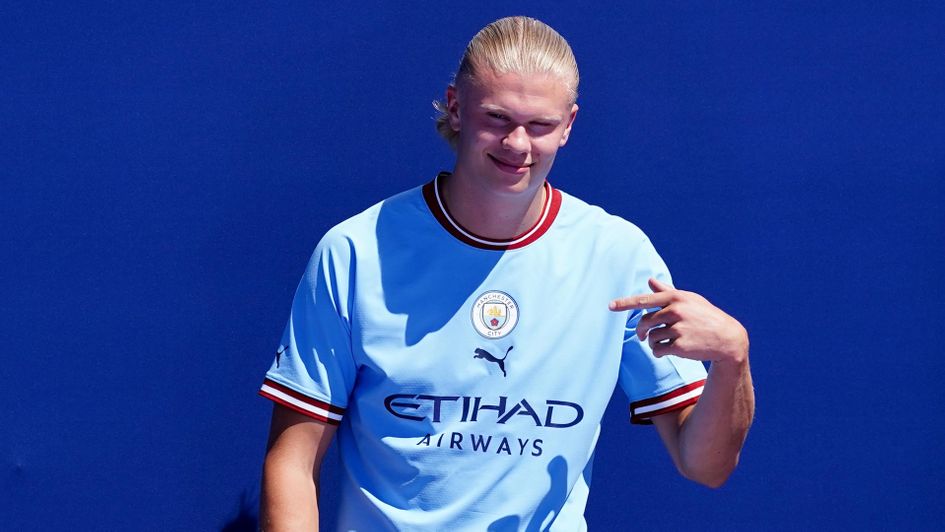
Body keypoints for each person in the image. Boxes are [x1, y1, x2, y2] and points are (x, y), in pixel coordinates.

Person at [259, 16, 754, 531]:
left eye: (539, 125)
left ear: (569, 126)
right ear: (455, 107)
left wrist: (732, 357)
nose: (517, 144)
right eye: (497, 118)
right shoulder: (355, 251)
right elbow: (292, 462)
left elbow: (705, 464)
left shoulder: (618, 255)